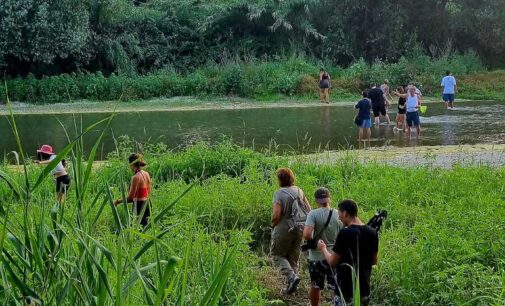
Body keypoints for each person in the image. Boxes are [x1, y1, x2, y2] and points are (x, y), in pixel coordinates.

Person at [317, 200, 379, 306]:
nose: (339, 217)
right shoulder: (373, 232)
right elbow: (374, 261)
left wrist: (323, 249)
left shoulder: (345, 233)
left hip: (345, 289)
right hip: (364, 288)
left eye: (339, 213)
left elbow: (332, 262)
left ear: (345, 213)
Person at [270, 168, 311, 294]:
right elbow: (309, 209)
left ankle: (291, 277)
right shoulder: (299, 190)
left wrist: (273, 224)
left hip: (284, 227)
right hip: (300, 227)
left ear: (279, 180)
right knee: (293, 257)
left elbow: (276, 215)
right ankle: (292, 287)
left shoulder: (279, 193)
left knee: (277, 255)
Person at [303, 187, 343, 306]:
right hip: (334, 256)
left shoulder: (313, 214)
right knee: (335, 286)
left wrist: (314, 242)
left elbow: (307, 234)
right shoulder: (338, 214)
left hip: (316, 257)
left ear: (316, 200)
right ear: (329, 198)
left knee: (315, 285)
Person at [114, 153, 152, 227]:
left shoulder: (135, 177)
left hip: (139, 206)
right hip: (148, 204)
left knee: (138, 229)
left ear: (131, 164)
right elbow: (148, 191)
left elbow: (130, 198)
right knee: (146, 228)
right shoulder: (146, 174)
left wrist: (117, 201)